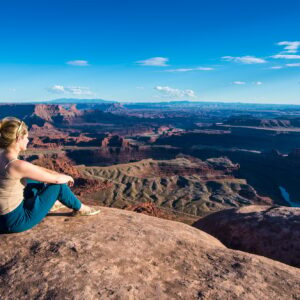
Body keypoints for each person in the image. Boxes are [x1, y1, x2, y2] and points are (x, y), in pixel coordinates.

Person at [0, 116, 100, 234]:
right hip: (15, 222)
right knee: (59, 186)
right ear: (18, 138)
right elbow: (57, 181)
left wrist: (55, 173)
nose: (28, 140)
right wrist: (66, 177)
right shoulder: (16, 165)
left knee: (34, 182)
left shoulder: (3, 157)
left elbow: (35, 169)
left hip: (2, 218)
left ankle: (51, 203)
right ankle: (82, 209)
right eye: (26, 137)